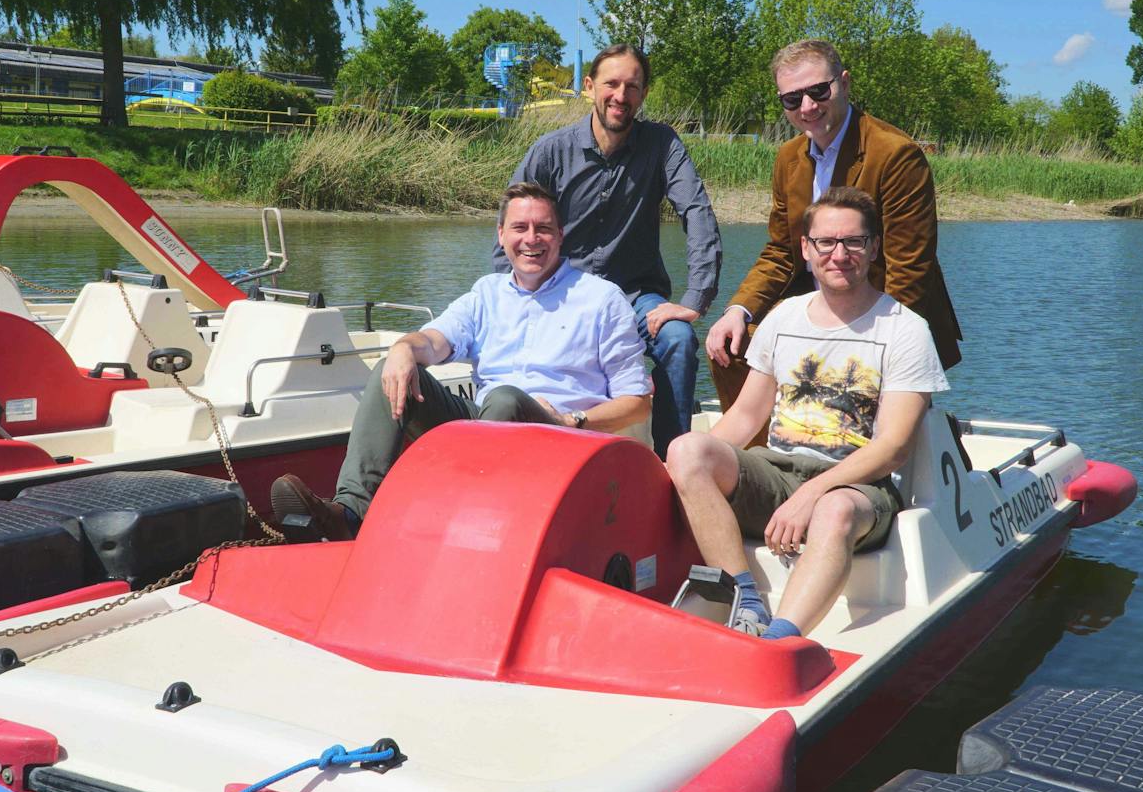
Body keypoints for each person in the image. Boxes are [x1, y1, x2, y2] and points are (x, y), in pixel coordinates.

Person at [272, 181, 652, 540]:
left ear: (561, 236)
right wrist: (404, 349)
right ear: (501, 235)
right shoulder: (486, 294)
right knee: (393, 371)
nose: (532, 239)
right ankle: (349, 514)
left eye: (544, 228)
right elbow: (434, 342)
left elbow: (637, 404)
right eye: (520, 227)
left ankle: (464, 520)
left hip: (561, 436)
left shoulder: (602, 299)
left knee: (503, 397)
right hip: (488, 426)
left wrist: (571, 420)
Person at [667, 187, 948, 639]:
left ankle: (781, 639)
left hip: (859, 489)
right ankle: (746, 602)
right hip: (778, 474)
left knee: (833, 510)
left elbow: (893, 449)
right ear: (806, 248)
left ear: (873, 247)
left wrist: (812, 494)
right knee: (687, 450)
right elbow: (744, 418)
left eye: (853, 242)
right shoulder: (783, 318)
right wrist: (677, 474)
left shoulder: (906, 330)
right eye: (826, 242)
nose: (839, 254)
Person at [705, 39, 960, 429]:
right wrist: (737, 310)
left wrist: (859, 341)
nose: (807, 107)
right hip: (817, 306)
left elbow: (909, 271)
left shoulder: (895, 155)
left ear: (843, 82)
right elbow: (781, 252)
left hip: (883, 313)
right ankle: (760, 469)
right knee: (731, 345)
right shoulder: (788, 158)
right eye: (792, 100)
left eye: (817, 91)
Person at [502, 44, 720, 456]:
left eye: (632, 86)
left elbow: (697, 211)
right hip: (563, 296)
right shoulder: (550, 151)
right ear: (589, 87)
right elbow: (513, 227)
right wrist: (511, 301)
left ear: (644, 93)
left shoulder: (661, 145)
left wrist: (695, 299)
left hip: (635, 297)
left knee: (678, 339)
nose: (621, 95)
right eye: (612, 84)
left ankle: (673, 466)